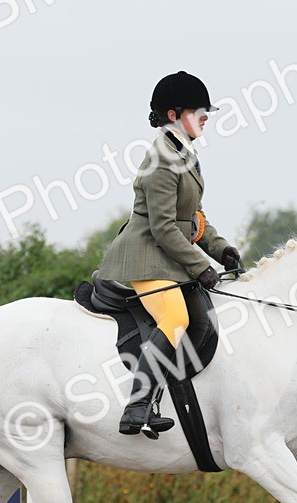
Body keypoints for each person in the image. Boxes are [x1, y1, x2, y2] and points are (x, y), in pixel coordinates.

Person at [96, 70, 242, 436]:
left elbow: (193, 218)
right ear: (174, 115)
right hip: (146, 256)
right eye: (198, 111)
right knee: (175, 317)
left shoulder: (183, 154)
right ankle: (138, 406)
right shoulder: (162, 159)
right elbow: (163, 227)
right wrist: (199, 266)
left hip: (168, 256)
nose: (206, 117)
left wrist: (220, 249)